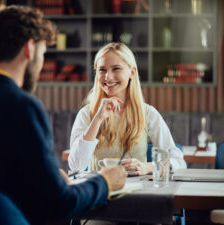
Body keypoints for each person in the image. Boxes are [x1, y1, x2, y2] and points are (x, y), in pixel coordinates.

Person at [0, 6, 127, 225]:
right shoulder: (23, 107)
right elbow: (59, 204)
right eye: (42, 53)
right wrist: (105, 182)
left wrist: (47, 178)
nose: (40, 65)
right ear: (29, 49)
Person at [69, 42, 186, 174]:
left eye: (116, 68)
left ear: (132, 72)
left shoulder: (147, 113)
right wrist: (97, 119)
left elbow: (179, 162)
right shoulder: (86, 114)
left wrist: (148, 167)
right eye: (102, 70)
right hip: (100, 190)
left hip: (138, 192)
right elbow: (76, 166)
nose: (108, 77)